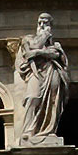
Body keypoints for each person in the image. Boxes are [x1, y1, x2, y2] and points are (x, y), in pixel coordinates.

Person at [14, 13, 68, 141]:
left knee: (53, 100)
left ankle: (47, 131)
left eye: (46, 23)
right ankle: (28, 131)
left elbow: (60, 58)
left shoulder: (56, 45)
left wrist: (44, 53)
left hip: (52, 71)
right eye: (41, 23)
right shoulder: (27, 39)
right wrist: (44, 48)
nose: (43, 26)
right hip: (35, 72)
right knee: (32, 97)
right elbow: (31, 50)